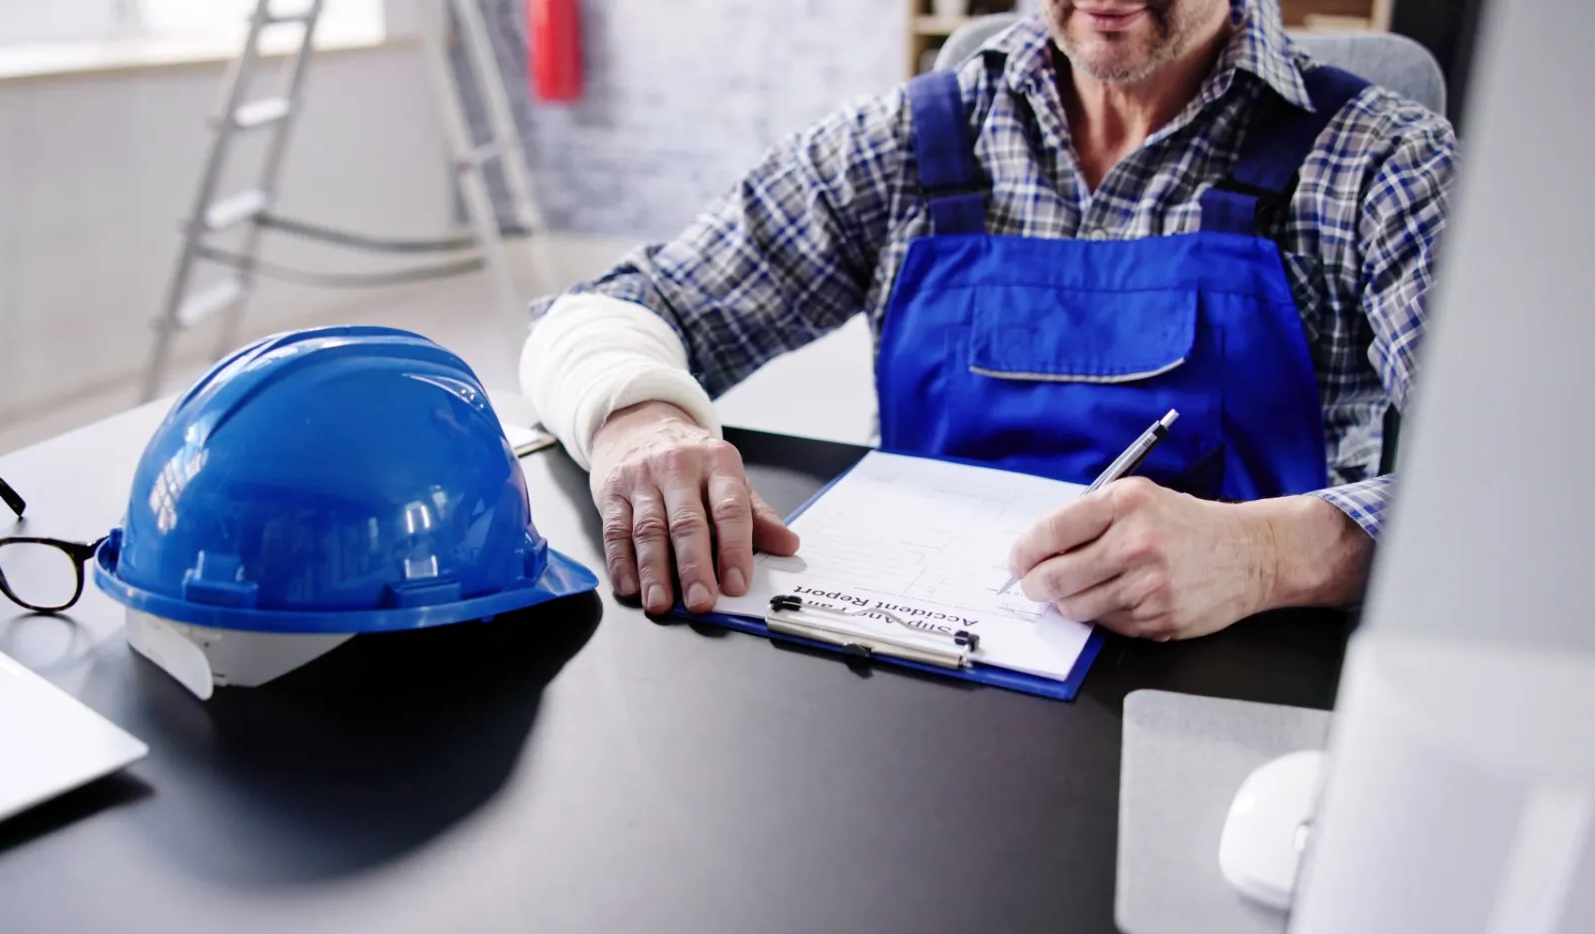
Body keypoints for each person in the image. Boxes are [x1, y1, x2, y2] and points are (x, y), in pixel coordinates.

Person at [519, 0, 1457, 641]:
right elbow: (610, 309)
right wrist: (640, 420)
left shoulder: (1383, 166)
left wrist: (1271, 555)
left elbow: (1531, 500)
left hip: (1231, 696)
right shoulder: (906, 145)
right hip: (929, 682)